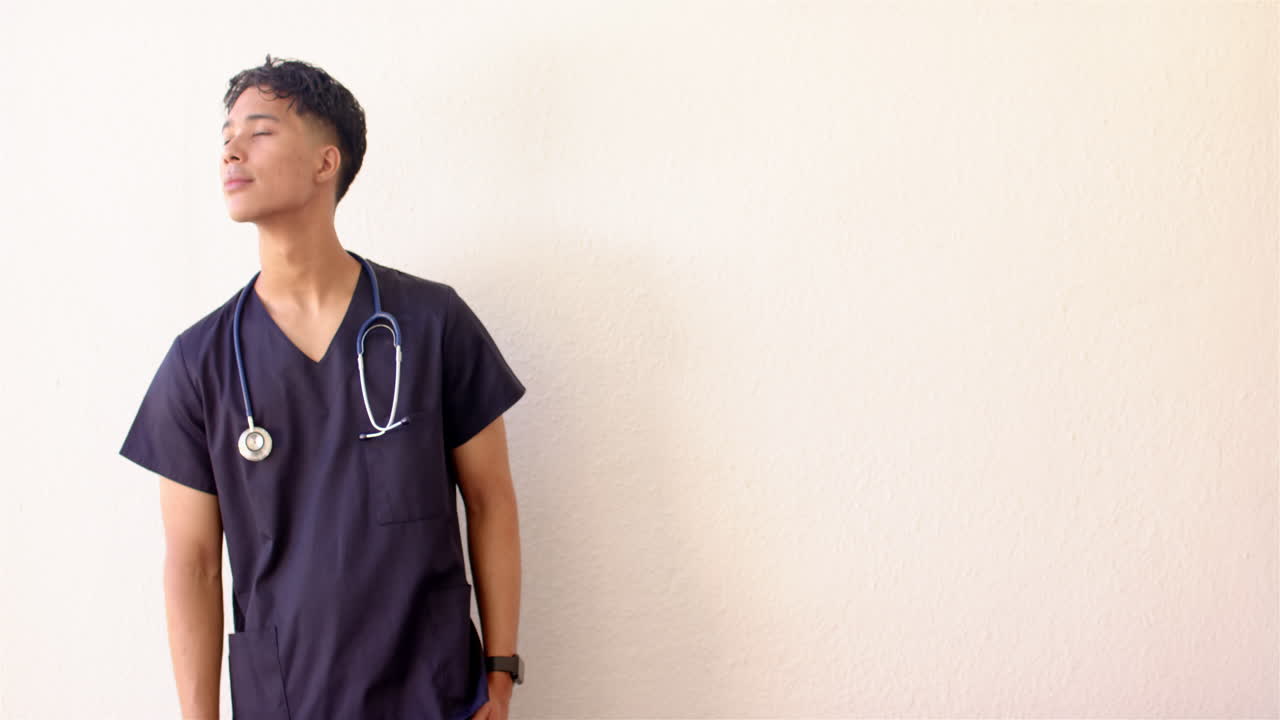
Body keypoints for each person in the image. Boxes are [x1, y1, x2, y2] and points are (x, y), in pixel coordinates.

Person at [119, 54, 527, 720]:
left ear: (325, 162)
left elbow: (491, 500)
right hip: (288, 697)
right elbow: (192, 563)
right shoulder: (200, 362)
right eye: (226, 137)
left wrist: (501, 673)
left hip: (437, 694)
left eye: (259, 132)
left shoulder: (431, 323)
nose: (231, 152)